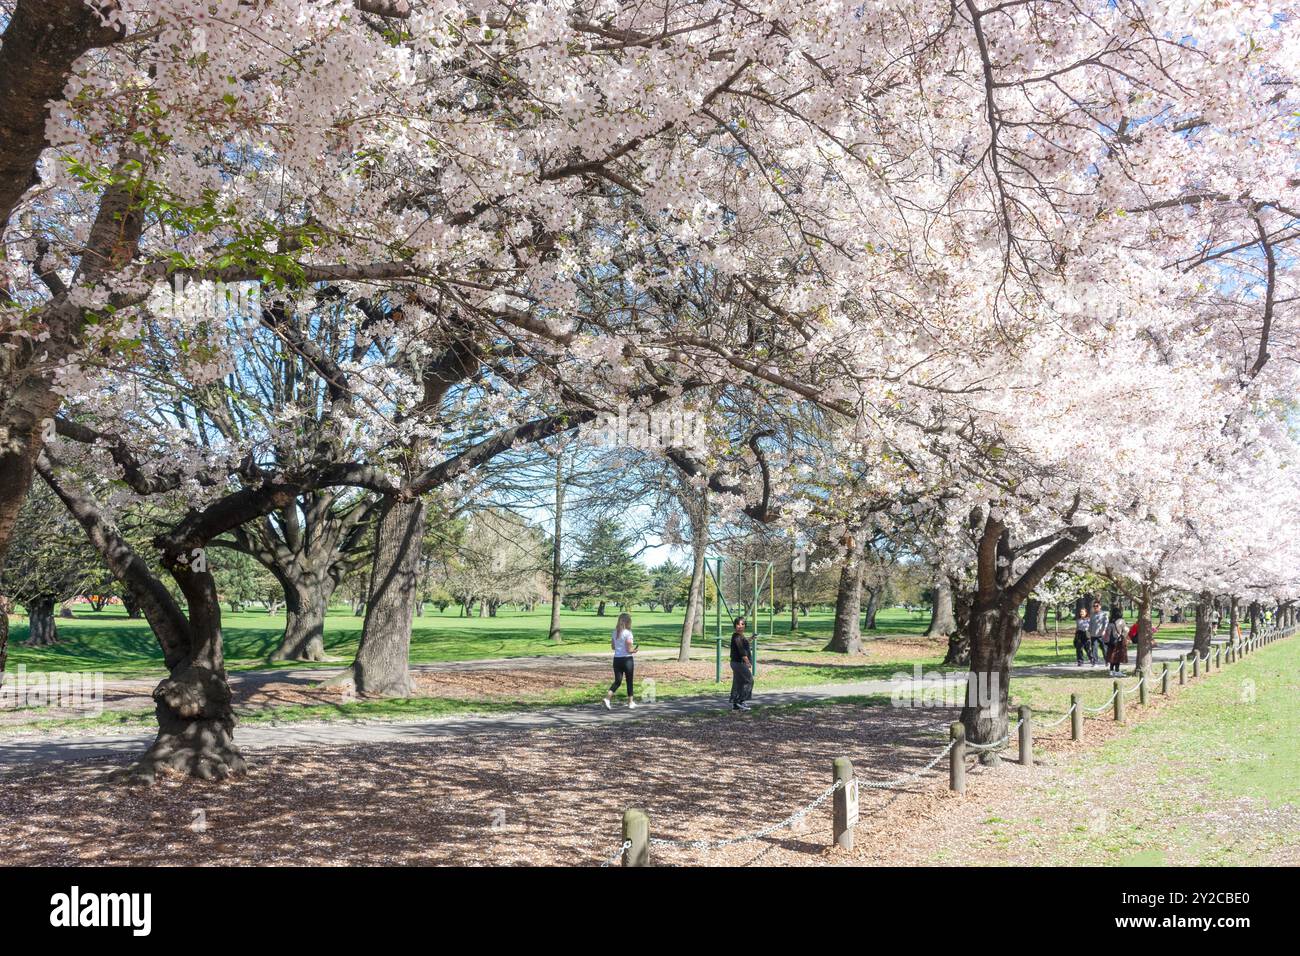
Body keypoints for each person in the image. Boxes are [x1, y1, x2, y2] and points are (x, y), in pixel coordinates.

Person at [603, 611, 637, 709]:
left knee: (617, 681)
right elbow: (629, 649)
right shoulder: (628, 633)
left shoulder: (614, 632)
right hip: (627, 660)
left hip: (616, 660)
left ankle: (607, 698)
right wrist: (634, 650)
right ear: (628, 622)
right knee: (629, 681)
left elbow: (613, 647)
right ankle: (630, 702)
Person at [729, 615, 753, 711]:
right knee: (749, 680)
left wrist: (751, 639)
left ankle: (736, 705)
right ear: (735, 626)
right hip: (739, 663)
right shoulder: (737, 637)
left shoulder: (739, 636)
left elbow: (744, 643)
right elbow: (741, 651)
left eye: (742, 624)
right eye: (738, 624)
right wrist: (747, 662)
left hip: (736, 663)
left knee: (738, 682)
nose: (740, 626)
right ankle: (741, 701)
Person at [1105, 604, 1127, 676]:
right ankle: (1117, 670)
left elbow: (1108, 631)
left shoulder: (1110, 620)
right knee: (1118, 655)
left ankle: (1111, 670)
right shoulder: (1121, 621)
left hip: (1111, 641)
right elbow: (1125, 630)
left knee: (1112, 655)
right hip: (1118, 640)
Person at [1087, 600, 1109, 666]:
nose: (1095, 607)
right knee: (1094, 649)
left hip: (1101, 635)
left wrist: (1104, 630)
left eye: (1097, 606)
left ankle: (1107, 661)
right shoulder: (1092, 615)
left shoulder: (1104, 614)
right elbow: (1090, 624)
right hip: (1093, 635)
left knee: (1104, 648)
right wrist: (1089, 632)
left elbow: (1106, 623)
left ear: (1100, 606)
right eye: (1094, 606)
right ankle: (1095, 662)